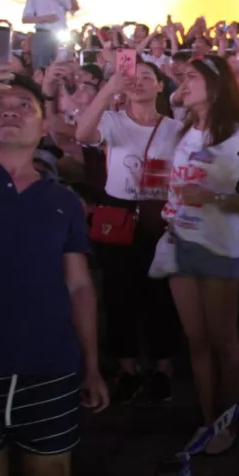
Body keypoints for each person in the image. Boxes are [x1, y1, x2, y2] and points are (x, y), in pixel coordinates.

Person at [0, 57, 108, 476]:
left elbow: (79, 286)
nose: (9, 111)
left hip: (48, 366)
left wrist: (92, 364)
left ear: (45, 126)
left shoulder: (62, 200)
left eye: (24, 105)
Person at [75, 58, 183, 405]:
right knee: (119, 292)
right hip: (119, 213)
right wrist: (108, 90)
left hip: (161, 214)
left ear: (160, 85)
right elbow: (82, 135)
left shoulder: (175, 127)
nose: (138, 82)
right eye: (132, 78)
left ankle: (163, 367)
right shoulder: (112, 120)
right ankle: (127, 367)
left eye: (147, 76)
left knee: (162, 293)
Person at [164, 57, 239, 456]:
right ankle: (206, 419)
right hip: (178, 243)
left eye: (193, 78)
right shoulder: (182, 131)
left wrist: (211, 196)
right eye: (182, 77)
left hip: (220, 247)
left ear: (216, 88)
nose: (184, 84)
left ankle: (227, 422)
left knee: (223, 340)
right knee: (196, 339)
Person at [22, 0, 80, 69]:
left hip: (60, 37)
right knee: (41, 67)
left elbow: (75, 7)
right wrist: (44, 18)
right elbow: (25, 19)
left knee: (62, 66)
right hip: (43, 35)